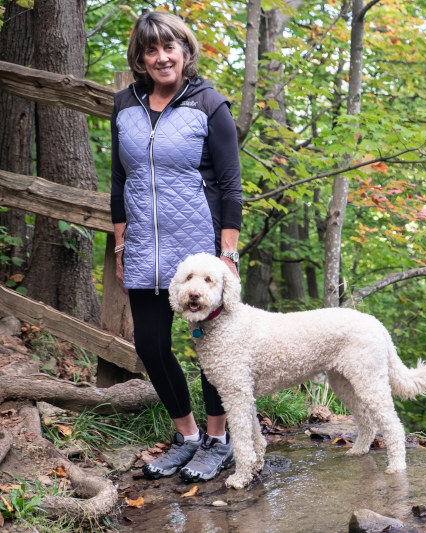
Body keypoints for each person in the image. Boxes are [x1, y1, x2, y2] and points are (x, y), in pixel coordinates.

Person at [110, 10, 243, 483]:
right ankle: (186, 436)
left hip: (201, 254)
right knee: (149, 344)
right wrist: (122, 246)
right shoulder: (125, 105)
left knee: (215, 351)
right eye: (151, 49)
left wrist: (226, 256)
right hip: (145, 246)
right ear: (141, 58)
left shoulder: (209, 104)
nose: (162, 57)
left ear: (186, 51)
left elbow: (231, 185)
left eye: (170, 47)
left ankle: (218, 440)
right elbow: (119, 179)